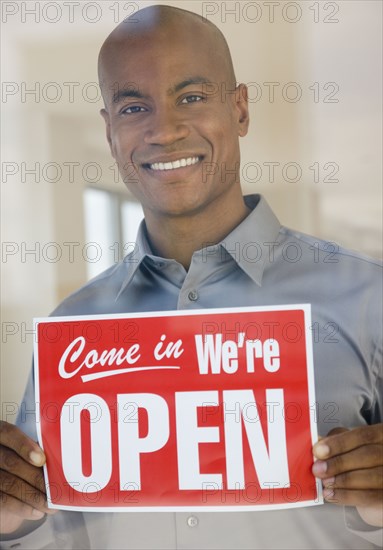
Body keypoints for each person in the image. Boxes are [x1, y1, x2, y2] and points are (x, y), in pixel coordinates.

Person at [0, 5, 382, 549]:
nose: (166, 129)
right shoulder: (73, 330)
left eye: (192, 97)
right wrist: (16, 522)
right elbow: (53, 535)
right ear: (110, 133)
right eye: (134, 106)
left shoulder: (369, 300)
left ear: (241, 109)